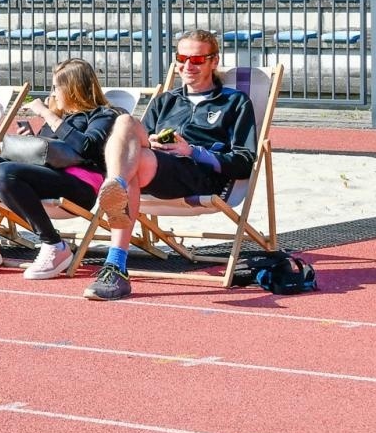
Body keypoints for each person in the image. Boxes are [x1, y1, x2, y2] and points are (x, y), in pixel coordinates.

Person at [84, 29, 258, 301]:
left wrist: (193, 151)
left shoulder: (235, 102)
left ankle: (116, 263)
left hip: (197, 175)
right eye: (182, 58)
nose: (188, 66)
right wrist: (153, 142)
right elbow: (140, 141)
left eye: (198, 60)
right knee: (125, 123)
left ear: (214, 61)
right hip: (154, 169)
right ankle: (116, 188)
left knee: (130, 161)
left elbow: (245, 162)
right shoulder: (166, 101)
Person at [0, 58, 134, 280]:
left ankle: (54, 244)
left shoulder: (104, 115)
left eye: (57, 87)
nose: (53, 93)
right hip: (43, 179)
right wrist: (29, 143)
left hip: (79, 186)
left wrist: (48, 114)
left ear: (73, 88)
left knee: (3, 172)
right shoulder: (60, 117)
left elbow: (87, 147)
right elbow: (45, 154)